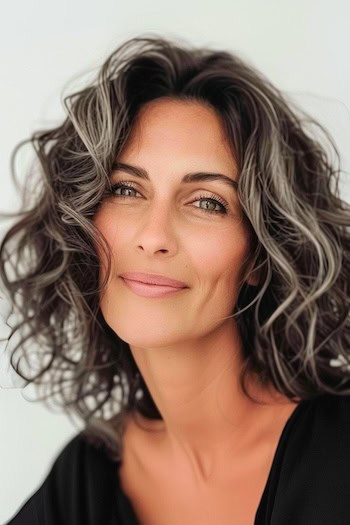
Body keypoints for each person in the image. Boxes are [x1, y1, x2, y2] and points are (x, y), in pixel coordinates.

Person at [1, 34, 349, 525]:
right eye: (126, 189)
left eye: (207, 202)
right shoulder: (84, 483)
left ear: (260, 253)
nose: (154, 236)